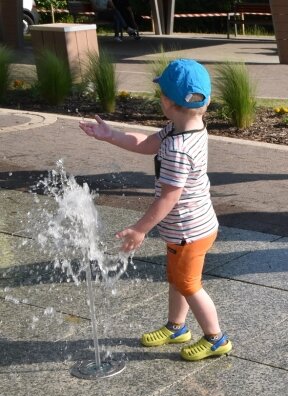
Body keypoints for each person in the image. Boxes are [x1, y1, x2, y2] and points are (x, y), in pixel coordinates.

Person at [78, 59, 232, 362]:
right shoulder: (183, 129)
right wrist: (111, 135)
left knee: (188, 284)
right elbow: (146, 143)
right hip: (189, 227)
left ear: (165, 101)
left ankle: (216, 338)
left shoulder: (178, 149)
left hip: (190, 231)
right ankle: (176, 327)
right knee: (177, 280)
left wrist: (140, 229)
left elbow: (168, 198)